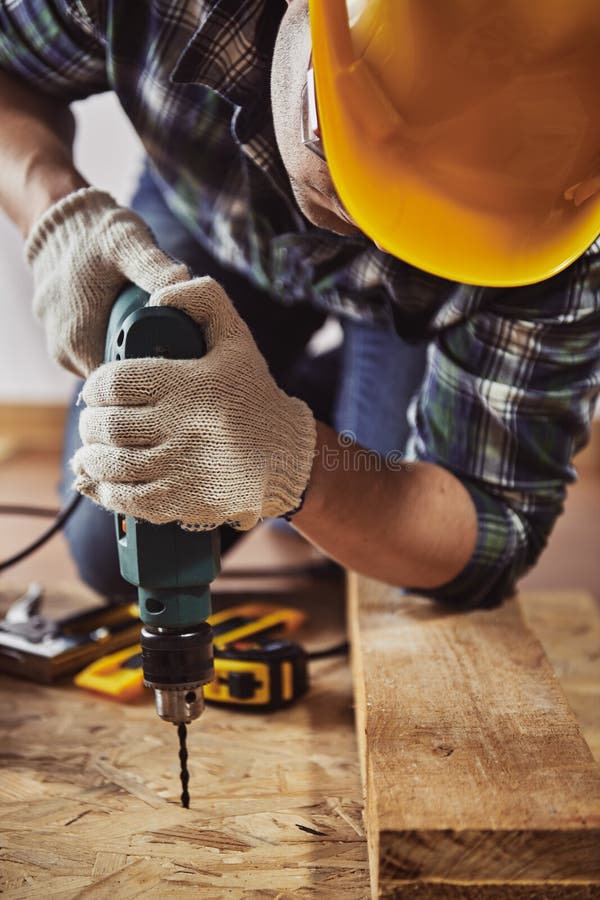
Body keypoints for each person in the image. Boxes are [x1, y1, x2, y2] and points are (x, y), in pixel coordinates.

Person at [0, 0, 598, 609]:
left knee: (386, 554)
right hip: (211, 206)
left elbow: (489, 526)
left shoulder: (567, 215)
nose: (373, 229)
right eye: (362, 177)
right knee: (116, 544)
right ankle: (276, 402)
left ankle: (287, 406)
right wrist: (56, 210)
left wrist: (291, 459)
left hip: (411, 307)